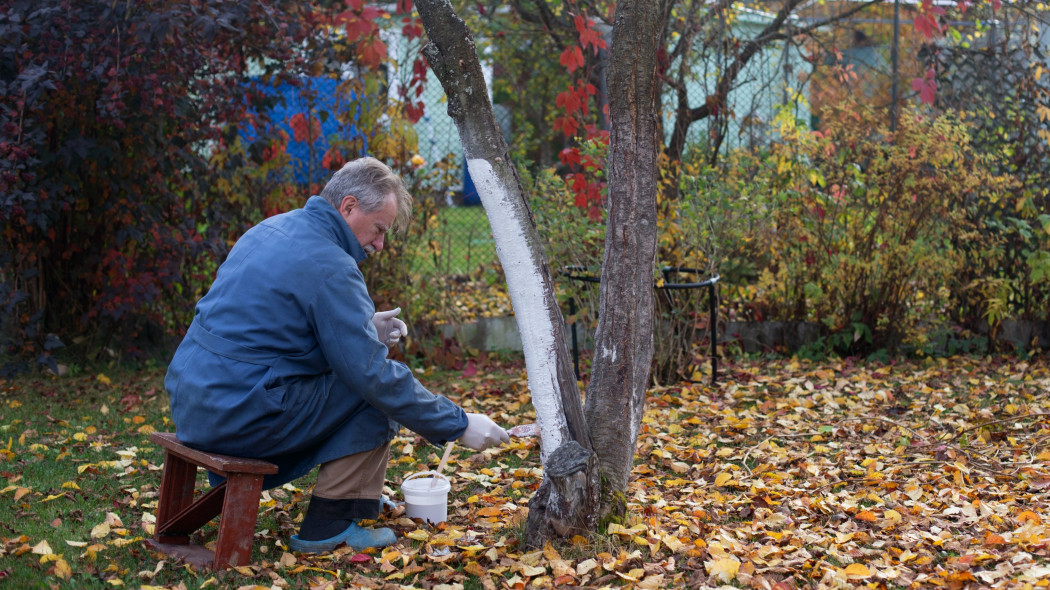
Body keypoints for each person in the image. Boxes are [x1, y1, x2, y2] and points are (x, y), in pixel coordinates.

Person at [164, 157, 509, 553]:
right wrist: (458, 424)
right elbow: (372, 376)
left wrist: (365, 328)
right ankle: (329, 523)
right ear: (348, 207)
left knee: (365, 380)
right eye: (379, 229)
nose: (380, 244)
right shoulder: (332, 265)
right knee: (377, 394)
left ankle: (356, 500)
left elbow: (267, 331)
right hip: (239, 415)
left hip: (195, 400)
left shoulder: (273, 228)